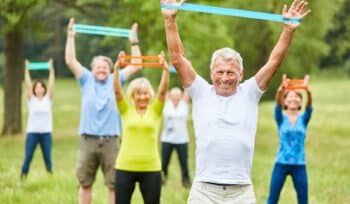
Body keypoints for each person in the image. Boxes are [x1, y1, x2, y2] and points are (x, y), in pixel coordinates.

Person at [161, 0, 311, 203]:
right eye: (219, 72)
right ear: (211, 73)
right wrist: (170, 19)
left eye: (230, 72)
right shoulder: (200, 91)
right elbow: (177, 59)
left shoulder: (249, 92)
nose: (224, 77)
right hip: (204, 190)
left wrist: (288, 30)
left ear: (241, 74)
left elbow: (274, 62)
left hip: (241, 191)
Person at [65, 18, 142, 204]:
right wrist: (70, 36)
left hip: (111, 141)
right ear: (92, 69)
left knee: (114, 185)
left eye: (105, 67)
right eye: (98, 67)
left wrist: (134, 41)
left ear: (110, 69)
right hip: (88, 139)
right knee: (85, 183)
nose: (101, 69)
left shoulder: (116, 79)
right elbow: (70, 60)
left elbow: (137, 64)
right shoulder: (86, 79)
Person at [113, 51, 169, 204]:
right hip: (125, 166)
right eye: (138, 94)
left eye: (145, 93)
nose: (142, 97)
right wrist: (117, 69)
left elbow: (163, 92)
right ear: (132, 96)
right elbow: (117, 92)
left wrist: (165, 70)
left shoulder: (156, 110)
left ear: (150, 95)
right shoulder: (125, 110)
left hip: (151, 168)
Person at [266, 74, 313, 204]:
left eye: (297, 96)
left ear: (300, 102)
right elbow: (276, 104)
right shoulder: (281, 118)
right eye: (290, 96)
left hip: (299, 164)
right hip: (281, 163)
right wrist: (281, 90)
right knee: (272, 199)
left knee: (303, 201)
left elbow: (309, 107)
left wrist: (307, 91)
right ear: (285, 102)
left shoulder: (303, 119)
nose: (293, 98)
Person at [21, 59, 55, 178]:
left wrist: (51, 70)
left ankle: (50, 177)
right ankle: (23, 176)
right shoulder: (31, 100)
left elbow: (51, 84)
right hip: (32, 133)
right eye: (37, 87)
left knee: (48, 158)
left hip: (46, 134)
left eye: (41, 87)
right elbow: (28, 85)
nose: (39, 89)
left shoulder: (48, 99)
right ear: (34, 90)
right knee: (28, 156)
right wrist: (27, 69)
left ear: (44, 89)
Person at [161, 87, 191, 187]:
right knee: (164, 162)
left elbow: (187, 88)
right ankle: (161, 181)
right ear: (170, 96)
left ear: (181, 96)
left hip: (182, 140)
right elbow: (164, 88)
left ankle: (186, 182)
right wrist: (166, 71)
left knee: (184, 163)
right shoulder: (166, 104)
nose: (176, 98)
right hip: (167, 139)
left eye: (178, 96)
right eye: (173, 95)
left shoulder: (184, 104)